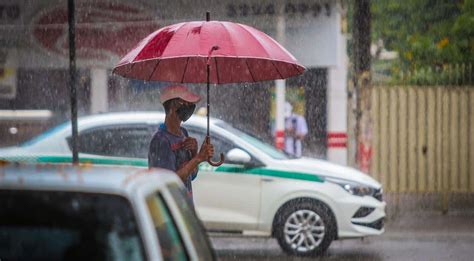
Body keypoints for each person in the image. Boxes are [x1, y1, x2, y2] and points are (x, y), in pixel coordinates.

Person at [148, 85, 214, 199]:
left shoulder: (183, 133)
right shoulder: (161, 140)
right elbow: (168, 181)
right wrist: (197, 158)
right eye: (186, 103)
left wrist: (194, 153)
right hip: (170, 208)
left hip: (184, 205)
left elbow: (191, 175)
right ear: (174, 106)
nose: (191, 107)